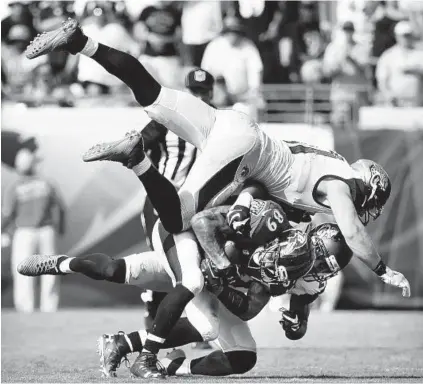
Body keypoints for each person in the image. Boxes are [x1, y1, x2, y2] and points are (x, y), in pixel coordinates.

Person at [25, 18, 410, 377]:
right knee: (179, 221)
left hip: (233, 128)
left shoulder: (316, 192)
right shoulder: (340, 186)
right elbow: (352, 231)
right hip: (244, 152)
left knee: (152, 93)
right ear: (366, 185)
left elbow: (278, 213)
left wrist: (288, 297)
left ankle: (80, 42)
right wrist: (383, 271)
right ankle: (138, 161)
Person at [17, 208, 350, 378]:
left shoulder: (307, 276)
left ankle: (159, 362)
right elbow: (207, 224)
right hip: (190, 249)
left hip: (215, 282)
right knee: (117, 271)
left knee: (243, 356)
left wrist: (297, 324)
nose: (317, 269)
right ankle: (63, 264)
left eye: (324, 267)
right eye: (319, 259)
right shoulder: (270, 227)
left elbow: (260, 309)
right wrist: (220, 263)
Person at [140, 68, 215, 351]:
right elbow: (141, 141)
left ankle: (198, 326)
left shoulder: (220, 121)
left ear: (211, 93)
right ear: (187, 92)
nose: (199, 97)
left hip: (200, 203)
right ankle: (153, 322)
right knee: (162, 261)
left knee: (200, 264)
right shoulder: (168, 118)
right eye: (194, 92)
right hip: (162, 200)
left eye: (203, 92)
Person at [1, 146, 66, 313]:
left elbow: (7, 214)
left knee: (23, 271)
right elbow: (61, 208)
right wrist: (61, 228)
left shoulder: (15, 187)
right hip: (46, 231)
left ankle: (25, 309)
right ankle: (49, 308)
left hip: (24, 233)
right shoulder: (46, 183)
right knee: (50, 270)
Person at [376, 20, 423, 107]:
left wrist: (417, 71)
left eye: (408, 35)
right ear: (396, 36)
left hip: (417, 102)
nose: (406, 38)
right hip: (396, 103)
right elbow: (381, 79)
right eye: (404, 36)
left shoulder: (420, 54)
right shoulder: (388, 55)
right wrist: (388, 95)